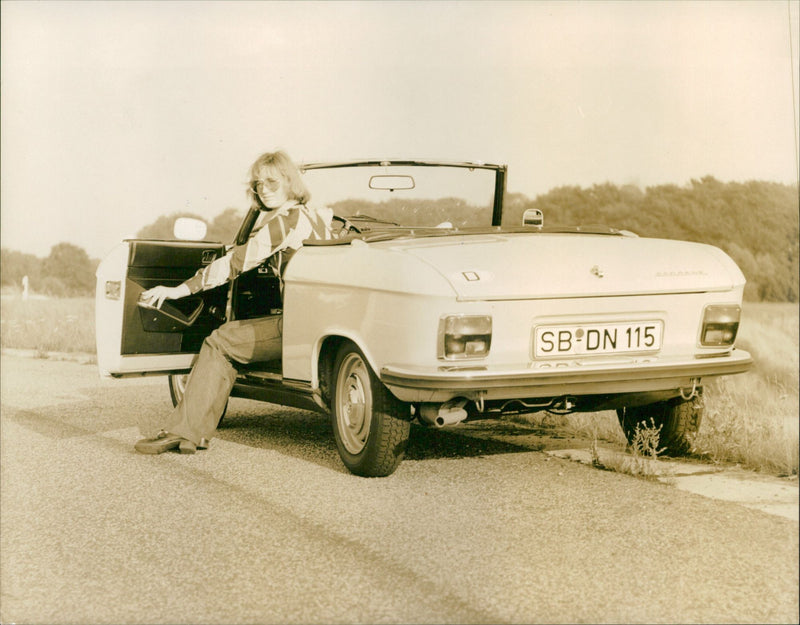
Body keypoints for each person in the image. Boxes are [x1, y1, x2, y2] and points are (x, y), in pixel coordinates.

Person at [134, 150, 333, 455]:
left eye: (271, 181)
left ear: (290, 182)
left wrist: (180, 290)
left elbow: (236, 262)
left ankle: (185, 432)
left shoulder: (286, 221)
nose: (263, 188)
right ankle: (190, 435)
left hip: (298, 325)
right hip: (326, 320)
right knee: (226, 341)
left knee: (220, 343)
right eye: (258, 184)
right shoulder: (319, 217)